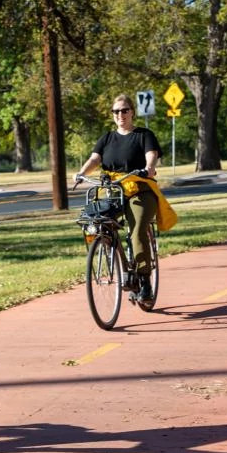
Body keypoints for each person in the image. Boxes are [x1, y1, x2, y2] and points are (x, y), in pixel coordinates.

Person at [73, 93, 162, 301]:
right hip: (113, 190)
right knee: (97, 221)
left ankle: (144, 281)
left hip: (140, 189)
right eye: (116, 111)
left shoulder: (144, 135)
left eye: (124, 110)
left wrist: (149, 168)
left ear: (132, 112)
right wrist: (82, 173)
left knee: (137, 231)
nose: (120, 115)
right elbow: (95, 159)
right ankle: (112, 249)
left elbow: (152, 155)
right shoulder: (107, 138)